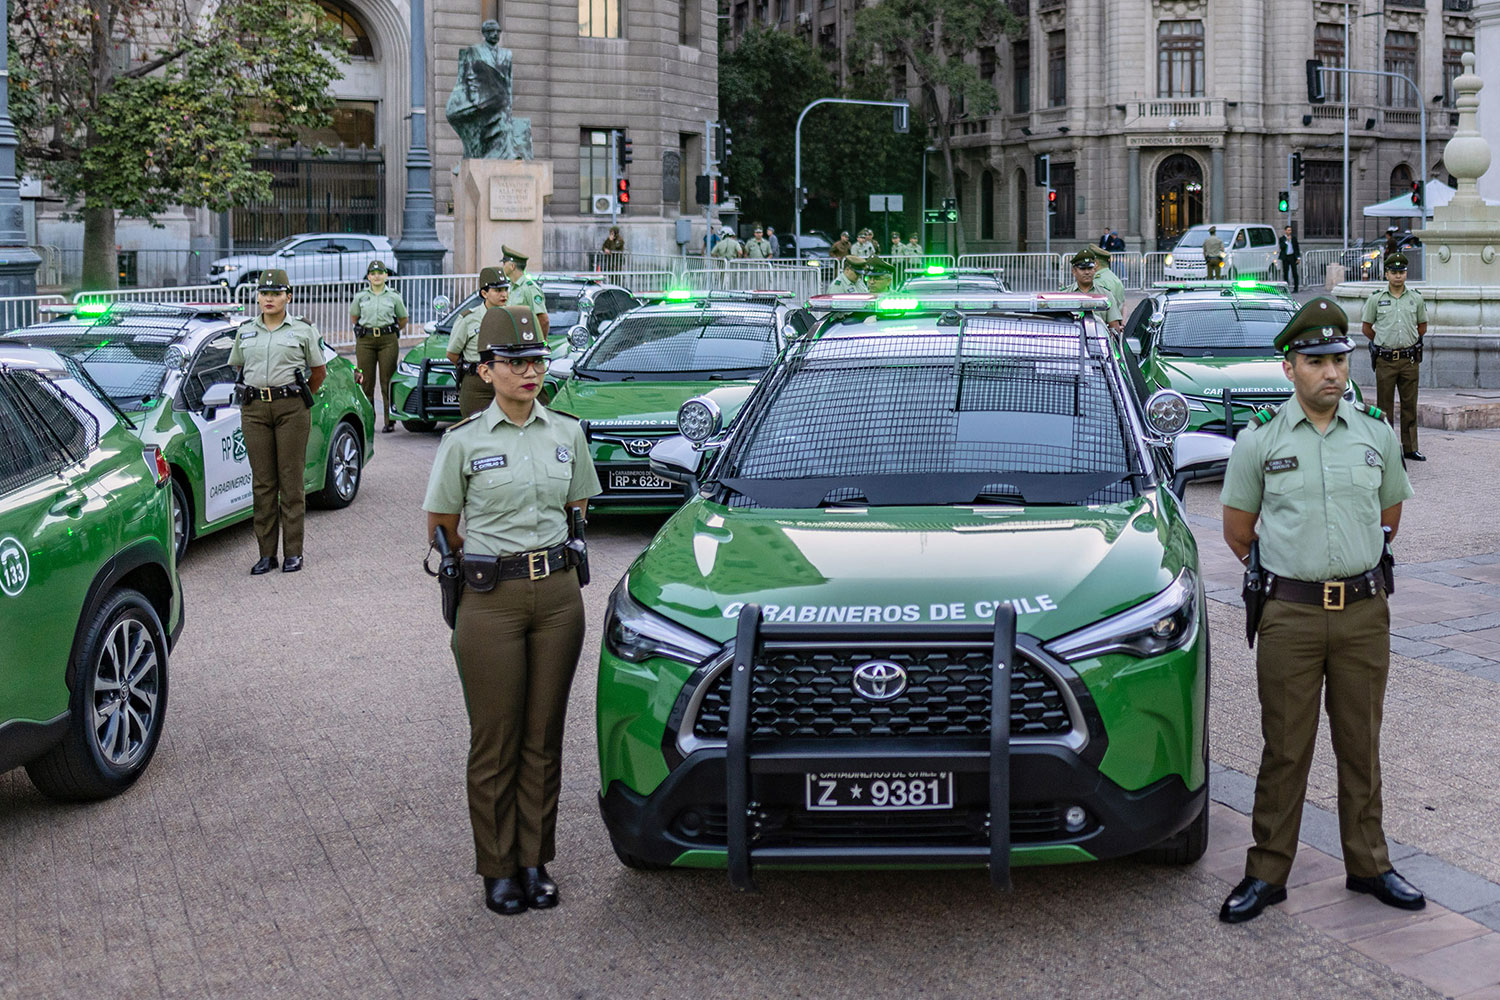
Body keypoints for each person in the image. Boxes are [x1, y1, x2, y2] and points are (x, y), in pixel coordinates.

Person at [1218, 296, 1421, 924]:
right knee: (1285, 746)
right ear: (1290, 367)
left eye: (1338, 358)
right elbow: (1238, 531)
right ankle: (1267, 871)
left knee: (1361, 744)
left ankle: (1369, 864)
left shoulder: (1377, 436)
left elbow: (1388, 517)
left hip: (1363, 612)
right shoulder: (1260, 441)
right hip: (1291, 616)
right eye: (1316, 360)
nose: (1331, 371)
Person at [423, 304, 601, 917]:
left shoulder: (567, 433)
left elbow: (578, 510)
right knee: (495, 739)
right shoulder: (463, 442)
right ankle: (497, 867)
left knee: (543, 735)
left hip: (556, 598)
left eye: (537, 360)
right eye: (515, 362)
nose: (529, 372)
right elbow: (443, 527)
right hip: (491, 599)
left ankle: (534, 858)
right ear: (486, 368)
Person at [229, 269, 326, 576]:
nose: (269, 299)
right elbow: (239, 367)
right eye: (264, 293)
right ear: (257, 297)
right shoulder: (245, 331)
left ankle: (293, 553)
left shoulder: (302, 330)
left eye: (276, 293)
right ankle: (266, 554)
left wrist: (296, 398)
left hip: (291, 410)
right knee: (262, 484)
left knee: (291, 482)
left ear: (288, 297)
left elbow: (318, 372)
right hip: (255, 410)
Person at [1360, 253, 1428, 461]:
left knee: (1409, 405)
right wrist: (1382, 341)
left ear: (1406, 274)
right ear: (1386, 274)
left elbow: (1422, 326)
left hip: (1409, 359)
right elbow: (1366, 328)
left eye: (1402, 272)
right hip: (1386, 360)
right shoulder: (1376, 299)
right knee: (1384, 406)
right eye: (1394, 272)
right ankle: (1387, 446)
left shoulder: (1415, 298)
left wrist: (1408, 341)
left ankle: (1410, 447)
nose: (1398, 276)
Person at [349, 260, 409, 434]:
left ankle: (389, 420)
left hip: (387, 340)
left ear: (386, 275)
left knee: (387, 380)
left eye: (380, 273)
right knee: (365, 381)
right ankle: (368, 419)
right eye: (373, 273)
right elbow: (355, 317)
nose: (376, 276)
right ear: (368, 277)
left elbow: (402, 318)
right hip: (366, 341)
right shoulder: (361, 296)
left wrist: (392, 330)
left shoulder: (393, 296)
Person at [448, 267, 511, 418]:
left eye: (505, 289)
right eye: (497, 290)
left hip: (506, 380)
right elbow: (452, 354)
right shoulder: (469, 319)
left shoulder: (512, 316)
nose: (503, 294)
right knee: (475, 430)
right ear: (484, 293)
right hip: (477, 384)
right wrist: (475, 367)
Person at [1063, 249, 1122, 333]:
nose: (1087, 272)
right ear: (1074, 271)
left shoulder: (1105, 295)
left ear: (1094, 269)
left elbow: (1114, 327)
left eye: (1090, 268)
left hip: (1098, 342)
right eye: (1082, 269)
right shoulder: (1065, 295)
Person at [501, 245, 548, 338]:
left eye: (504, 263)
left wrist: (540, 344)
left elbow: (543, 319)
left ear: (512, 266)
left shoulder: (529, 288)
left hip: (525, 343)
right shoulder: (512, 287)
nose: (502, 266)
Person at [1085, 246, 1126, 314]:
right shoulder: (1115, 279)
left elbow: (1097, 312)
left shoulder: (1097, 282)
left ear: (1096, 264)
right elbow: (1123, 305)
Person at [1278, 225, 1302, 294]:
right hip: (1285, 257)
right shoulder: (1282, 239)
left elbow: (1296, 248)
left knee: (1294, 272)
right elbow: (1282, 247)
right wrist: (1287, 241)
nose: (1289, 232)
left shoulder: (1294, 238)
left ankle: (1296, 288)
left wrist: (1298, 257)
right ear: (1285, 231)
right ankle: (1286, 288)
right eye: (1288, 230)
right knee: (1285, 272)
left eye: (1290, 230)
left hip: (1292, 256)